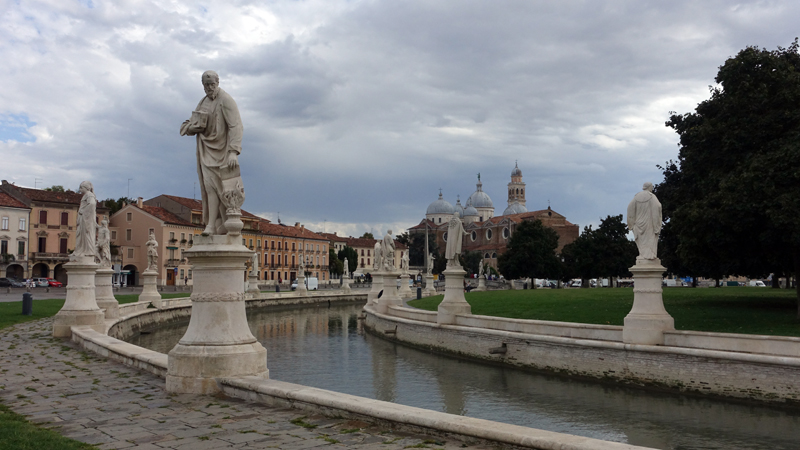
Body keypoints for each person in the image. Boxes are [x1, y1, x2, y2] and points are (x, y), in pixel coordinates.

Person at [180, 70, 245, 236]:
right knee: (210, 187)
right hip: (207, 151)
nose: (209, 88)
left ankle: (224, 224)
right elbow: (187, 125)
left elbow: (236, 126)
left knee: (224, 190)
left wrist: (233, 151)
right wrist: (192, 127)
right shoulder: (202, 103)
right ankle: (210, 225)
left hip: (223, 152)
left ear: (218, 83)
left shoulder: (226, 100)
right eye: (206, 85)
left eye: (211, 84)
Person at [626, 182, 662, 261]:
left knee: (642, 241)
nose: (652, 188)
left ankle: (643, 255)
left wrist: (632, 221)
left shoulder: (636, 197)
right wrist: (657, 223)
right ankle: (650, 255)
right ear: (649, 187)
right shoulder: (652, 197)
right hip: (649, 223)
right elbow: (658, 206)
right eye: (652, 186)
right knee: (650, 240)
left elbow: (630, 208)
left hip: (639, 224)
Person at [72, 181, 97, 260]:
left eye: (81, 188)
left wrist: (83, 212)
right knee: (81, 235)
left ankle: (88, 251)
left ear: (86, 188)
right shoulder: (86, 195)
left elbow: (92, 204)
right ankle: (80, 250)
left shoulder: (89, 195)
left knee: (86, 235)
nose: (80, 190)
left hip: (86, 219)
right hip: (83, 218)